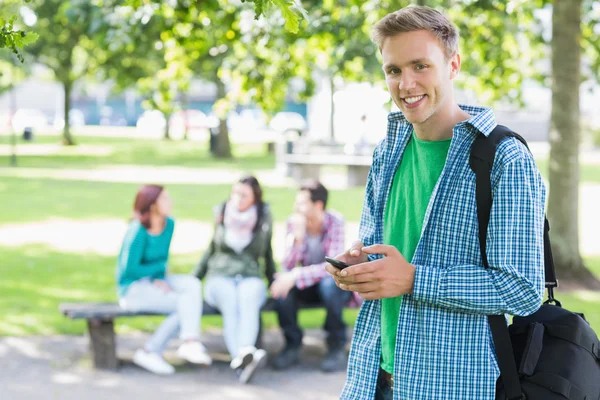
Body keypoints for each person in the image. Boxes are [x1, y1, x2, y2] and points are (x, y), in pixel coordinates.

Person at [325, 6, 546, 400]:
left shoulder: (504, 158)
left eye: (420, 66)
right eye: (393, 70)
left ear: (453, 65)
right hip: (374, 375)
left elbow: (522, 289)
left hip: (451, 385)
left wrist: (412, 279)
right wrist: (360, 266)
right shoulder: (388, 151)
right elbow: (386, 254)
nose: (406, 83)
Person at [116, 184, 211, 375]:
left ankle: (189, 343)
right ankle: (150, 350)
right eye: (165, 199)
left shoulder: (169, 225)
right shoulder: (137, 230)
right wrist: (157, 273)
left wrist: (159, 278)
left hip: (154, 279)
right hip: (132, 288)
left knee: (191, 285)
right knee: (184, 305)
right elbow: (129, 269)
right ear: (152, 205)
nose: (170, 202)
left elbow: (163, 258)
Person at [192, 176, 275, 384]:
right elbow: (211, 248)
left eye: (244, 195)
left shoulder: (263, 217)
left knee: (248, 300)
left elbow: (268, 253)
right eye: (235, 193)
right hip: (219, 276)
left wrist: (273, 279)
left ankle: (244, 355)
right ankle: (244, 357)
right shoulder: (222, 212)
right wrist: (194, 278)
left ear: (255, 198)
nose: (237, 199)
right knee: (230, 302)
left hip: (250, 275)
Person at [270, 180, 354, 372]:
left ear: (318, 205)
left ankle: (336, 345)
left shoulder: (335, 222)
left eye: (301, 203)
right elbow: (287, 265)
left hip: (332, 283)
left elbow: (332, 265)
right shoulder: (294, 223)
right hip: (307, 286)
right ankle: (292, 344)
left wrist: (296, 275)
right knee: (282, 290)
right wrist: (298, 240)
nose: (295, 207)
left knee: (329, 286)